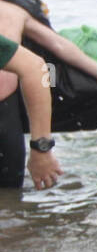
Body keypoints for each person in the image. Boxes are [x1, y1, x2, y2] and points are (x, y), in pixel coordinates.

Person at [0, 0, 97, 188]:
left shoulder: (15, 11)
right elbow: (58, 45)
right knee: (10, 191)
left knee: (9, 192)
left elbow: (40, 61)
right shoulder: (17, 10)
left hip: (7, 108)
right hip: (7, 108)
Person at [0, 33, 64, 189]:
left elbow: (35, 67)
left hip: (5, 115)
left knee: (11, 200)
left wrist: (41, 148)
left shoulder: (17, 10)